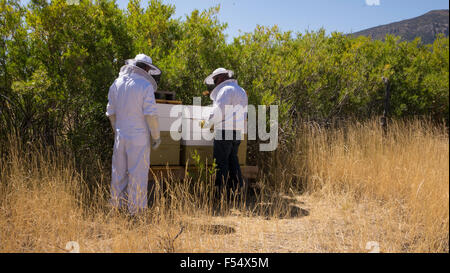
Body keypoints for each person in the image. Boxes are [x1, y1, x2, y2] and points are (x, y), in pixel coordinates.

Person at [106, 54, 162, 216]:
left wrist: (117, 131)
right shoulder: (145, 85)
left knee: (119, 173)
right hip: (139, 136)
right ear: (146, 69)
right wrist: (156, 136)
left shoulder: (116, 83)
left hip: (120, 135)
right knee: (138, 174)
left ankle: (117, 208)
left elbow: (111, 113)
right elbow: (151, 114)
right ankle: (136, 213)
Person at [202, 68, 248, 199]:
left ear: (221, 78)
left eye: (216, 80)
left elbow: (218, 112)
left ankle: (220, 196)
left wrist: (207, 124)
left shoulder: (225, 90)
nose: (216, 84)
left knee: (221, 163)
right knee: (233, 161)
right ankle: (237, 194)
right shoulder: (241, 90)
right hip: (238, 131)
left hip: (225, 131)